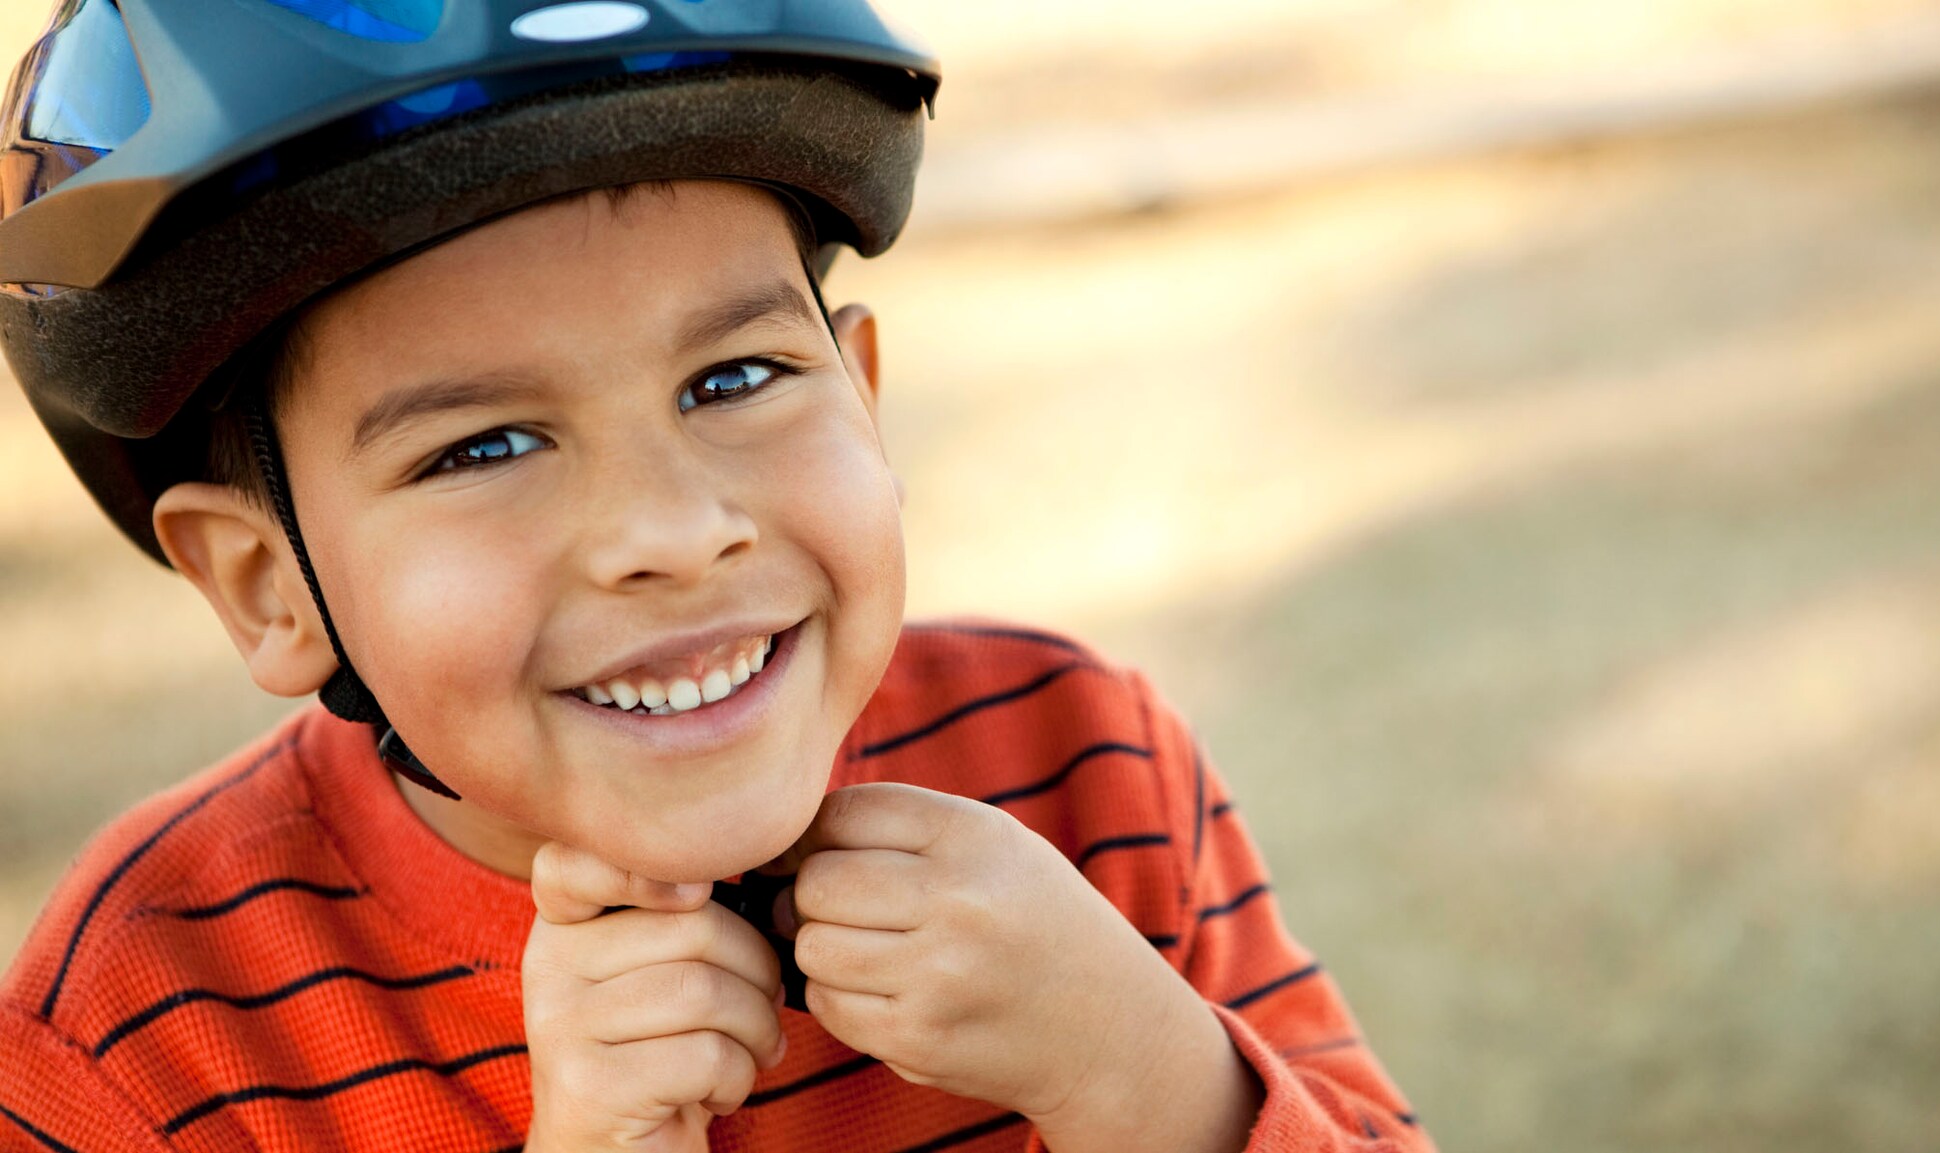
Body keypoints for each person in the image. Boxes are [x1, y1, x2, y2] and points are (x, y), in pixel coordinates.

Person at [0, 2, 1432, 1150]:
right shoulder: (147, 1028)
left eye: (735, 375)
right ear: (267, 584)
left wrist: (1145, 1072)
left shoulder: (1079, 760)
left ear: (863, 398)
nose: (676, 531)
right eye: (487, 444)